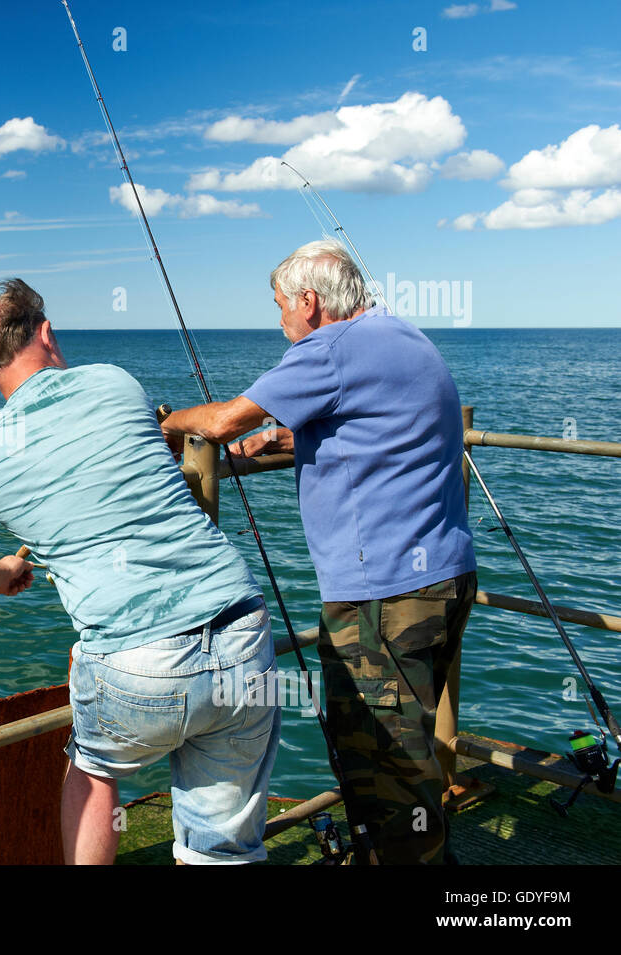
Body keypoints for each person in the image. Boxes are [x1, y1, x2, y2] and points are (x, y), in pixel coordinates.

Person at [0, 277, 280, 865]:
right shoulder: (118, 382)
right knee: (222, 851)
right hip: (240, 629)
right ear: (47, 333)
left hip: (136, 663)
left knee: (93, 771)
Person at [159, 240, 477, 865]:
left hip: (383, 599)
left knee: (387, 767)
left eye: (279, 305)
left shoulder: (326, 348)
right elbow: (379, 418)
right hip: (446, 577)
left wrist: (166, 426)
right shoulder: (400, 335)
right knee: (411, 752)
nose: (280, 320)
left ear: (309, 302)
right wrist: (290, 433)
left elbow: (224, 422)